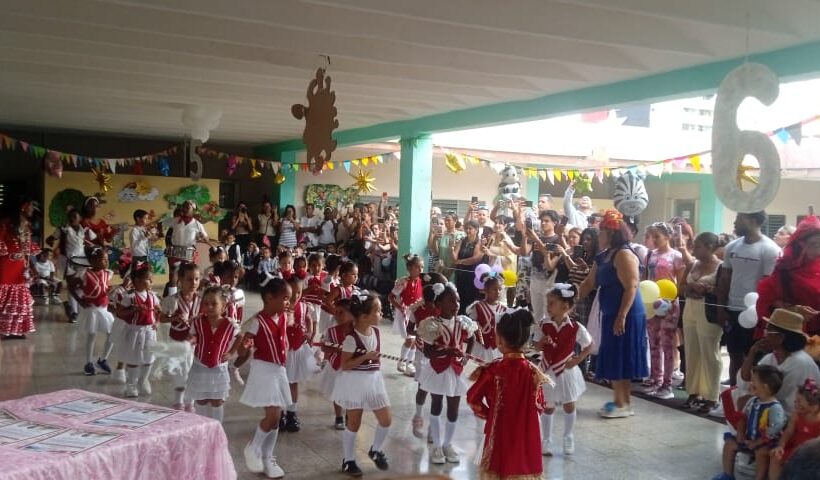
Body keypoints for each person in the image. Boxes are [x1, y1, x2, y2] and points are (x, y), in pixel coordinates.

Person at [579, 209, 648, 418]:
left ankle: (623, 403)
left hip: (626, 313)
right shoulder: (602, 256)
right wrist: (569, 300)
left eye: (601, 233)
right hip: (609, 312)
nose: (598, 236)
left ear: (611, 234)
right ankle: (620, 400)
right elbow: (589, 283)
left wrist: (622, 316)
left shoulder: (624, 254)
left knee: (622, 356)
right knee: (614, 354)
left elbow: (632, 286)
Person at [467, 309, 548, 480]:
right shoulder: (533, 372)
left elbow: (472, 398)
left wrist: (490, 415)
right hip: (524, 434)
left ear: (500, 340)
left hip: (498, 432)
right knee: (521, 468)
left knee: (497, 468)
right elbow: (540, 405)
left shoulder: (493, 370)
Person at [717, 211, 780, 386]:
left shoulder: (770, 249)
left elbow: (769, 285)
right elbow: (724, 279)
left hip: (755, 313)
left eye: (739, 219)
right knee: (734, 355)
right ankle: (732, 397)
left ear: (753, 220)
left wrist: (762, 315)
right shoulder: (732, 247)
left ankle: (751, 399)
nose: (735, 222)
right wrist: (721, 308)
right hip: (733, 310)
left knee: (753, 357)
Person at [331, 294, 392, 476]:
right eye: (378, 311)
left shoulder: (376, 332)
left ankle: (376, 450)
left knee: (386, 420)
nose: (381, 314)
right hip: (355, 382)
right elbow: (345, 365)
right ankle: (348, 460)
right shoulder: (351, 338)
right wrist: (365, 356)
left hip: (374, 381)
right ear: (364, 317)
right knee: (354, 424)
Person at [239, 277, 293, 479]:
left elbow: (284, 340)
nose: (288, 302)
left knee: (277, 419)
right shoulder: (257, 321)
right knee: (271, 416)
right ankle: (253, 448)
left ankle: (268, 458)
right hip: (264, 370)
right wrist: (244, 346)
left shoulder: (283, 318)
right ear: (270, 298)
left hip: (278, 370)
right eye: (285, 298)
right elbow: (247, 342)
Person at [417, 283, 477, 465]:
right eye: (451, 301)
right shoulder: (432, 324)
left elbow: (472, 338)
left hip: (455, 370)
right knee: (436, 405)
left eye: (457, 300)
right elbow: (427, 352)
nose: (456, 304)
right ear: (439, 305)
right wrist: (446, 353)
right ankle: (436, 445)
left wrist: (465, 357)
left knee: (453, 408)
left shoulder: (463, 323)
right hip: (438, 369)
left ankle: (447, 444)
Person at [536, 283, 593, 456]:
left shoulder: (575, 327)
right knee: (548, 406)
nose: (548, 307)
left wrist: (578, 359)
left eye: (552, 303)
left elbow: (589, 345)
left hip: (566, 370)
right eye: (548, 303)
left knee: (569, 405)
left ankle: (568, 436)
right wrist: (541, 343)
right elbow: (536, 345)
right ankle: (546, 440)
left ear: (565, 306)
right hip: (547, 370)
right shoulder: (543, 325)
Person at [737, 309, 820, 418]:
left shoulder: (799, 362)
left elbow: (780, 397)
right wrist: (752, 352)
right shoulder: (771, 357)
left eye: (768, 332)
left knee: (748, 402)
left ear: (780, 337)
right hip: (774, 407)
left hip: (793, 415)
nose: (764, 335)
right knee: (736, 396)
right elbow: (746, 378)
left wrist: (753, 397)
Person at [713, 365, 785, 480]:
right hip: (749, 439)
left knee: (761, 452)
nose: (750, 383)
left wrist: (757, 442)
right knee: (729, 444)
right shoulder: (752, 401)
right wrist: (741, 433)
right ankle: (727, 475)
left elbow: (775, 429)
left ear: (765, 387)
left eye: (753, 381)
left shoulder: (775, 407)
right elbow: (743, 417)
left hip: (767, 442)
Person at [757, 214, 820, 337]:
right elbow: (767, 307)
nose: (818, 249)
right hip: (793, 337)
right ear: (800, 245)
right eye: (815, 244)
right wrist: (793, 310)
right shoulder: (784, 273)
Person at [643, 222, 687, 399]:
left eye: (657, 236)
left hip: (668, 304)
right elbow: (646, 278)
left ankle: (667, 384)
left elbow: (681, 282)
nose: (654, 240)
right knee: (653, 343)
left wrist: (673, 299)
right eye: (652, 236)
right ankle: (656, 379)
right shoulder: (650, 255)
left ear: (667, 237)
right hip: (651, 302)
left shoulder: (676, 256)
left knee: (667, 344)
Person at [681, 232, 723, 412]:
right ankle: (693, 391)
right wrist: (690, 288)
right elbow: (680, 287)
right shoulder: (692, 264)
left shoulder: (720, 267)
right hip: (690, 308)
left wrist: (707, 289)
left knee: (710, 353)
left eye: (698, 246)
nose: (694, 249)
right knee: (691, 350)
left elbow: (722, 291)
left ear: (710, 247)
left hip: (708, 311)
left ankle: (712, 396)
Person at [186, 286, 241, 423]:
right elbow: (192, 336)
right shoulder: (197, 322)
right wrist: (190, 341)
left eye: (214, 304)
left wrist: (231, 352)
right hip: (200, 367)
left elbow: (240, 337)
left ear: (223, 306)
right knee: (201, 399)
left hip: (219, 369)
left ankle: (217, 429)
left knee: (217, 400)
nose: (209, 307)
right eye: (206, 303)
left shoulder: (230, 324)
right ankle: (201, 427)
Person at [159, 262, 202, 411]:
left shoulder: (201, 300)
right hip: (177, 342)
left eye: (196, 279)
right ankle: (178, 402)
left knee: (193, 373)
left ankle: (190, 402)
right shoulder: (173, 300)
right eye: (189, 279)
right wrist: (174, 318)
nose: (194, 283)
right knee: (180, 374)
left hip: (195, 344)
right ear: (180, 280)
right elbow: (161, 318)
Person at [69, 246, 116, 376]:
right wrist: (80, 301)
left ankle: (103, 360)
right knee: (92, 336)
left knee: (113, 334)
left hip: (104, 309)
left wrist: (110, 294)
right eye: (103, 259)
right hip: (91, 310)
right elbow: (71, 286)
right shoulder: (85, 273)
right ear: (93, 261)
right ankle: (89, 363)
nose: (106, 262)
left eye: (107, 259)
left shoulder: (108, 273)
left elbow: (104, 287)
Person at [116, 265, 161, 398]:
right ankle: (131, 384)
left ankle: (143, 380)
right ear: (137, 280)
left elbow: (159, 310)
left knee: (149, 357)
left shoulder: (153, 296)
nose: (151, 283)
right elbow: (120, 312)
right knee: (133, 358)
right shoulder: (129, 297)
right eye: (149, 279)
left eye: (151, 280)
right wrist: (133, 310)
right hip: (134, 331)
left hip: (149, 331)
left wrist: (157, 322)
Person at [0, 199, 40, 338]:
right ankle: (4, 330)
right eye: (31, 206)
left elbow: (27, 250)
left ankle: (18, 330)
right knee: (5, 295)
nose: (33, 209)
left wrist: (33, 267)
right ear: (23, 207)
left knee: (20, 298)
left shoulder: (27, 225)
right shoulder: (6, 223)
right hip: (7, 263)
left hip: (21, 265)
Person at [48, 209, 95, 322]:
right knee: (72, 286)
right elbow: (50, 239)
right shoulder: (63, 229)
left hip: (82, 261)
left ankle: (74, 309)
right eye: (71, 216)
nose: (73, 218)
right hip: (68, 261)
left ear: (80, 218)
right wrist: (53, 242)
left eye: (75, 216)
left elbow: (95, 240)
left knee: (80, 286)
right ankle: (73, 312)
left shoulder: (85, 230)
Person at [283, 275, 316, 433]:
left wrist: (309, 332)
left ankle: (291, 412)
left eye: (299, 292)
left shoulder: (304, 306)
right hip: (284, 351)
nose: (296, 296)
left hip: (297, 350)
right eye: (292, 293)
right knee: (282, 382)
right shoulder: (281, 307)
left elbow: (309, 319)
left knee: (293, 382)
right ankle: (280, 413)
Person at [769, 378, 820, 480]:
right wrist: (781, 446)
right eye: (796, 400)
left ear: (814, 407)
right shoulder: (797, 415)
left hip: (811, 454)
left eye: (800, 401)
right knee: (775, 456)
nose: (795, 403)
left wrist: (799, 454)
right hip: (794, 448)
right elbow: (788, 432)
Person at [319, 298, 354, 431]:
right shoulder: (331, 331)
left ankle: (350, 415)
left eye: (341, 313)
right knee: (337, 392)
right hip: (336, 367)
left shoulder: (357, 331)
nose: (337, 316)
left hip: (351, 368)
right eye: (336, 312)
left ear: (351, 314)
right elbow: (324, 348)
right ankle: (339, 416)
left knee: (351, 393)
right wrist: (335, 348)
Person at [166, 201, 211, 296]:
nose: (184, 209)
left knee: (190, 275)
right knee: (173, 275)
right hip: (176, 252)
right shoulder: (176, 220)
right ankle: (171, 298)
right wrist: (161, 233)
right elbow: (161, 224)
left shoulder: (197, 224)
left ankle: (190, 296)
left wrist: (202, 237)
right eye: (183, 207)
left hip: (189, 252)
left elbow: (206, 238)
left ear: (193, 210)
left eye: (187, 207)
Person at [525, 210, 562, 325]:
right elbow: (525, 253)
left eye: (547, 221)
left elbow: (551, 264)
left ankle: (548, 337)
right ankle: (537, 339)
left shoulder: (557, 239)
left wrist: (536, 239)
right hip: (535, 279)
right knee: (536, 313)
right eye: (542, 221)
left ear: (555, 223)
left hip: (549, 282)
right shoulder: (536, 237)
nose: (543, 223)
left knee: (548, 313)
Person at [390, 254, 424, 375]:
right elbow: (391, 297)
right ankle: (402, 361)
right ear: (410, 268)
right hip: (406, 313)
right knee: (410, 339)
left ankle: (410, 364)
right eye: (418, 267)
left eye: (422, 267)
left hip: (417, 313)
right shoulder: (403, 282)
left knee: (414, 340)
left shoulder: (421, 281)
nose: (421, 270)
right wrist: (400, 307)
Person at [466, 273, 507, 362]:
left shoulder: (503, 309)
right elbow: (471, 325)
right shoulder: (478, 307)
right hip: (482, 347)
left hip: (497, 347)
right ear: (485, 290)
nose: (498, 292)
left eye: (499, 289)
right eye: (494, 289)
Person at [452, 220, 484, 314]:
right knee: (459, 296)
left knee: (470, 297)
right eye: (466, 228)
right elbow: (455, 258)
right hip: (460, 273)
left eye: (470, 228)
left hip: (471, 275)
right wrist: (451, 250)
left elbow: (475, 259)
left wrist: (460, 261)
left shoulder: (479, 242)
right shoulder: (462, 241)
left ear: (476, 230)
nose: (468, 230)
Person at [428, 213, 464, 281]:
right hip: (441, 267)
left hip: (454, 268)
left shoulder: (460, 235)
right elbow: (436, 252)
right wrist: (435, 239)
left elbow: (460, 254)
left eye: (449, 220)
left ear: (455, 221)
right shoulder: (441, 234)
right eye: (445, 220)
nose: (446, 222)